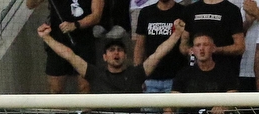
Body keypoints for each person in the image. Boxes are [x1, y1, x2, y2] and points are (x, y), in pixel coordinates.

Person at [38, 18, 184, 93]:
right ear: (104, 57)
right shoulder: (95, 74)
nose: (116, 53)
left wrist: (177, 34)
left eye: (119, 50)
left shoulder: (136, 73)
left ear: (126, 56)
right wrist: (47, 38)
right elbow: (70, 55)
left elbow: (158, 54)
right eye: (111, 50)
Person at [27, 0, 105, 93]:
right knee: (55, 88)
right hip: (58, 40)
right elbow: (30, 4)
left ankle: (85, 108)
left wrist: (76, 24)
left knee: (84, 86)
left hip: (84, 41)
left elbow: (96, 16)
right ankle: (57, 108)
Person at [180, 0, 245, 85]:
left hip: (225, 76)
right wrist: (190, 50)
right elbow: (183, 44)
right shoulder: (190, 9)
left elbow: (240, 47)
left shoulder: (231, 10)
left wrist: (214, 50)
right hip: (195, 77)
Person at [171, 33, 239, 113]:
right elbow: (173, 99)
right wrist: (168, 111)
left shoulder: (226, 72)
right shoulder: (183, 73)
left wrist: (224, 107)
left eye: (205, 45)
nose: (201, 49)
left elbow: (233, 96)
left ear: (213, 48)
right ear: (192, 50)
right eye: (198, 45)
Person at [134, 0, 188, 92]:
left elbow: (187, 43)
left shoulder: (184, 12)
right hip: (150, 79)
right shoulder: (146, 12)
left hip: (175, 79)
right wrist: (138, 77)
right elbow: (139, 46)